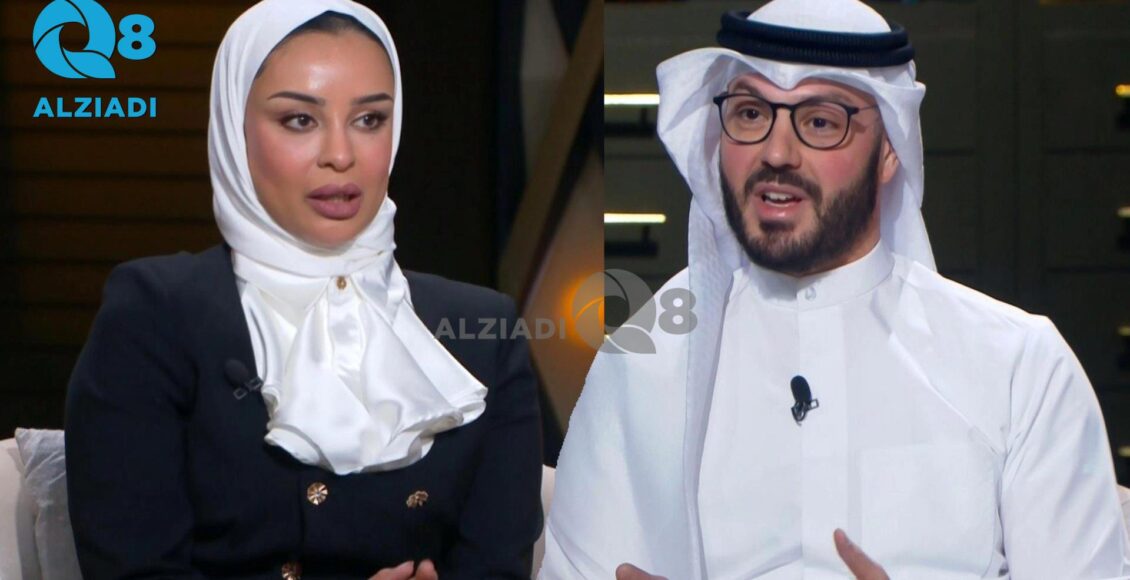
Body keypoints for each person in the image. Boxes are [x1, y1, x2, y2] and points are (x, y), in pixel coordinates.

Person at [541, 1, 1130, 578]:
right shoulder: (645, 363)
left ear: (890, 150)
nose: (776, 153)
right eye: (750, 114)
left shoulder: (1019, 367)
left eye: (820, 121)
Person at [64, 1, 543, 578]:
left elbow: (497, 567)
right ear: (234, 129)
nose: (340, 156)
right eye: (299, 120)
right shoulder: (156, 314)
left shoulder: (481, 333)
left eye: (370, 120)